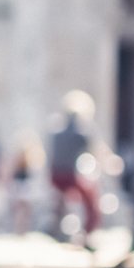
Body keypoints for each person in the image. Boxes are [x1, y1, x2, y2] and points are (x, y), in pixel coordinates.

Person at [47, 95, 100, 238]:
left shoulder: (56, 132)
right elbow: (93, 151)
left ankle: (56, 226)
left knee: (60, 202)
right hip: (70, 176)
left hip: (55, 175)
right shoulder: (80, 134)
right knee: (91, 202)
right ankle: (89, 231)